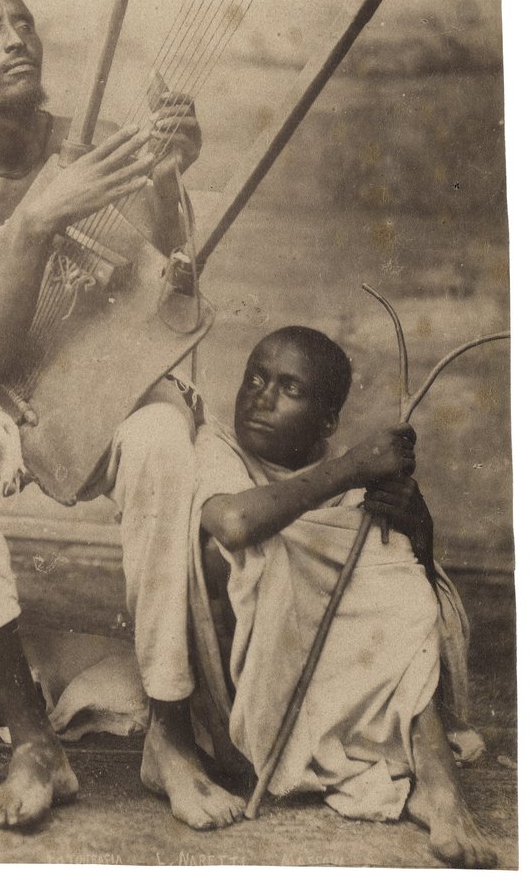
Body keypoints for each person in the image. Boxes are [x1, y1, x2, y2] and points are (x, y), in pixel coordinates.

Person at [0, 0, 245, 831]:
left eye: (20, 22)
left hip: (90, 383)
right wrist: (38, 226)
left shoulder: (93, 148)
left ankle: (169, 732)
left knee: (163, 437)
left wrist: (163, 175)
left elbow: (172, 280)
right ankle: (32, 740)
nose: (12, 40)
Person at [197, 326, 496, 868]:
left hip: (332, 675)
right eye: (256, 379)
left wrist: (413, 517)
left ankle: (439, 787)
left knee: (396, 575)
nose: (262, 398)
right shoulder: (217, 447)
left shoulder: (351, 482)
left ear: (328, 422)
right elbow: (235, 523)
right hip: (242, 680)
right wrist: (354, 468)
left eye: (290, 389)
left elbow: (417, 583)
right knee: (249, 554)